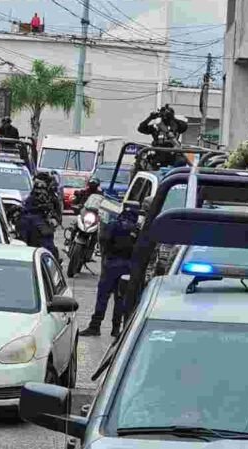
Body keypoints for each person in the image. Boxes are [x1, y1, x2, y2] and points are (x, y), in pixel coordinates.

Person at [79, 201, 140, 338]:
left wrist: (107, 257)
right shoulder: (136, 230)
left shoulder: (114, 225)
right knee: (120, 298)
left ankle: (95, 326)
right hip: (127, 268)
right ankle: (116, 329)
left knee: (103, 296)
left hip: (111, 265)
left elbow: (103, 240)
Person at [136, 105, 189, 171]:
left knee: (182, 162)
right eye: (163, 115)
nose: (165, 117)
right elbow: (141, 128)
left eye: (167, 115)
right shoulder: (156, 126)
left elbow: (184, 127)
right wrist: (150, 118)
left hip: (172, 153)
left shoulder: (176, 125)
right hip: (158, 153)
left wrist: (173, 118)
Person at [18, 181, 59, 260]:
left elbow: (56, 213)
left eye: (42, 190)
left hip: (41, 226)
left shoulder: (50, 199)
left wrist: (53, 218)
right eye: (38, 191)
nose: (40, 193)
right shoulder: (29, 200)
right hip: (29, 225)